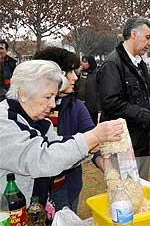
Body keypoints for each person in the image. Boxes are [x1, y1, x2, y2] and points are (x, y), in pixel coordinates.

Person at [0, 60, 124, 207]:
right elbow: (42, 158)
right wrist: (93, 137)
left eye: (55, 97)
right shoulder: (5, 124)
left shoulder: (41, 122)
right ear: (23, 94)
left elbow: (57, 148)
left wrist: (88, 149)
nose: (53, 104)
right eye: (48, 97)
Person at [32, 47, 102, 215]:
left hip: (65, 187)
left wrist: (104, 164)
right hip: (33, 192)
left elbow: (92, 139)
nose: (75, 77)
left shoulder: (76, 107)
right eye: (69, 71)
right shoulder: (29, 110)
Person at [97, 16, 150, 180]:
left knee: (140, 193)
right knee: (125, 196)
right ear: (134, 34)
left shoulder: (139, 63)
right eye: (148, 37)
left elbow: (147, 96)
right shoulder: (113, 64)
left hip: (141, 143)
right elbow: (111, 104)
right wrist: (148, 116)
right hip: (122, 146)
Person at [76, 55, 100, 125]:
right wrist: (77, 74)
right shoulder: (80, 73)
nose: (82, 64)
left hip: (92, 107)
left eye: (85, 62)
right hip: (80, 104)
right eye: (82, 61)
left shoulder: (97, 74)